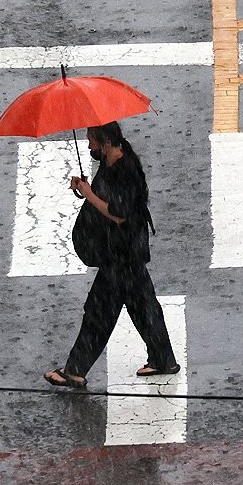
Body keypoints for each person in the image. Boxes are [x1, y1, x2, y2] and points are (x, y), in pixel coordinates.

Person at [44, 121, 179, 388]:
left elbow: (119, 215)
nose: (88, 144)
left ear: (105, 142)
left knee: (99, 312)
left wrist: (89, 194)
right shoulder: (110, 159)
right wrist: (85, 188)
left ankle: (75, 370)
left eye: (92, 139)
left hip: (122, 254)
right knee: (143, 307)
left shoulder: (125, 169)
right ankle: (163, 359)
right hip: (125, 252)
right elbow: (107, 197)